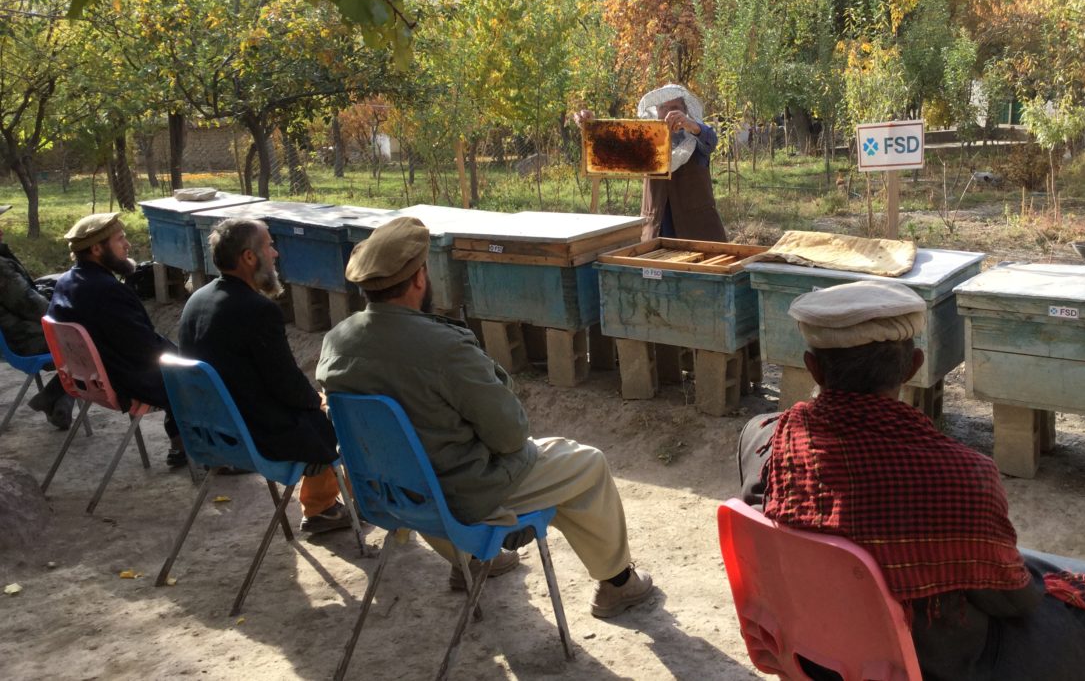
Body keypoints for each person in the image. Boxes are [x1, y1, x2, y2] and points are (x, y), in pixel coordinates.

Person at [738, 280, 1085, 681]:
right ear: (914, 367)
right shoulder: (961, 473)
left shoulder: (764, 437)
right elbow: (1010, 599)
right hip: (933, 662)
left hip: (812, 652)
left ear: (813, 367)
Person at [317, 216, 656, 614]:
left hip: (390, 494)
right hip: (461, 497)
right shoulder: (444, 348)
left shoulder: (335, 342)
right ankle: (619, 584)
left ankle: (473, 561)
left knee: (427, 463)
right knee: (586, 464)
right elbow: (510, 435)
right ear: (419, 279)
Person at [178, 218, 353, 534]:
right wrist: (320, 400)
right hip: (254, 436)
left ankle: (323, 505)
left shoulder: (197, 300)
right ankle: (326, 508)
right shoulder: (257, 310)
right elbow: (287, 385)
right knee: (338, 416)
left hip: (211, 431)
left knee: (314, 408)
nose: (276, 254)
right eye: (270, 246)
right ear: (248, 257)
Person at [47, 212, 184, 467]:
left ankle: (181, 443)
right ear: (97, 249)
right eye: (120, 239)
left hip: (91, 378)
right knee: (198, 375)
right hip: (122, 380)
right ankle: (199, 448)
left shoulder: (67, 281)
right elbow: (145, 349)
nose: (127, 245)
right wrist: (182, 356)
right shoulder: (107, 291)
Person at [575, 83, 726, 242]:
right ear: (657, 111)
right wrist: (591, 126)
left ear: (685, 111)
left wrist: (691, 126)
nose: (669, 113)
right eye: (664, 108)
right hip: (657, 229)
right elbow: (611, 147)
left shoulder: (696, 139)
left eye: (675, 107)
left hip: (699, 234)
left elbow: (710, 139)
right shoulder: (646, 143)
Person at [0, 205, 73, 429]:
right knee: (94, 339)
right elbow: (33, 306)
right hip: (26, 339)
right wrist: (67, 309)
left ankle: (61, 402)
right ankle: (53, 396)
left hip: (16, 333)